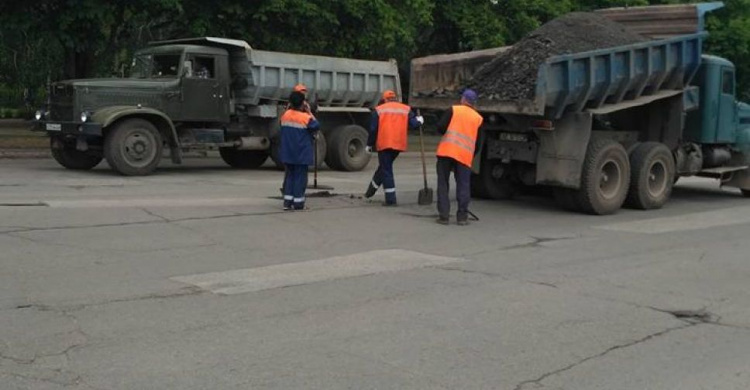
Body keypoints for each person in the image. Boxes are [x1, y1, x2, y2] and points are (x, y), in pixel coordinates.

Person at [364, 90, 423, 206]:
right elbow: (413, 124)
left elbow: (373, 130)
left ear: (384, 99)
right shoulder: (405, 109)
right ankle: (370, 190)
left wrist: (369, 145)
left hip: (384, 144)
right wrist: (420, 120)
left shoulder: (379, 110)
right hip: (398, 145)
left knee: (386, 170)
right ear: (395, 98)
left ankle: (391, 200)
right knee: (384, 167)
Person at [435, 89, 484, 225]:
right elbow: (478, 143)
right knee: (463, 185)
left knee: (443, 183)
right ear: (474, 103)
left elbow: (440, 127)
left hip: (446, 152)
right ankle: (462, 217)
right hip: (464, 156)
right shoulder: (478, 118)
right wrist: (470, 155)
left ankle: (444, 216)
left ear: (463, 99)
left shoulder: (453, 110)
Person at [280, 91, 320, 210]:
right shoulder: (306, 118)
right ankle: (298, 203)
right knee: (300, 178)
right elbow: (316, 125)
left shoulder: (285, 115)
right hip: (301, 153)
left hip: (288, 152)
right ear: (303, 103)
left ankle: (287, 203)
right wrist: (309, 111)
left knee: (289, 177)